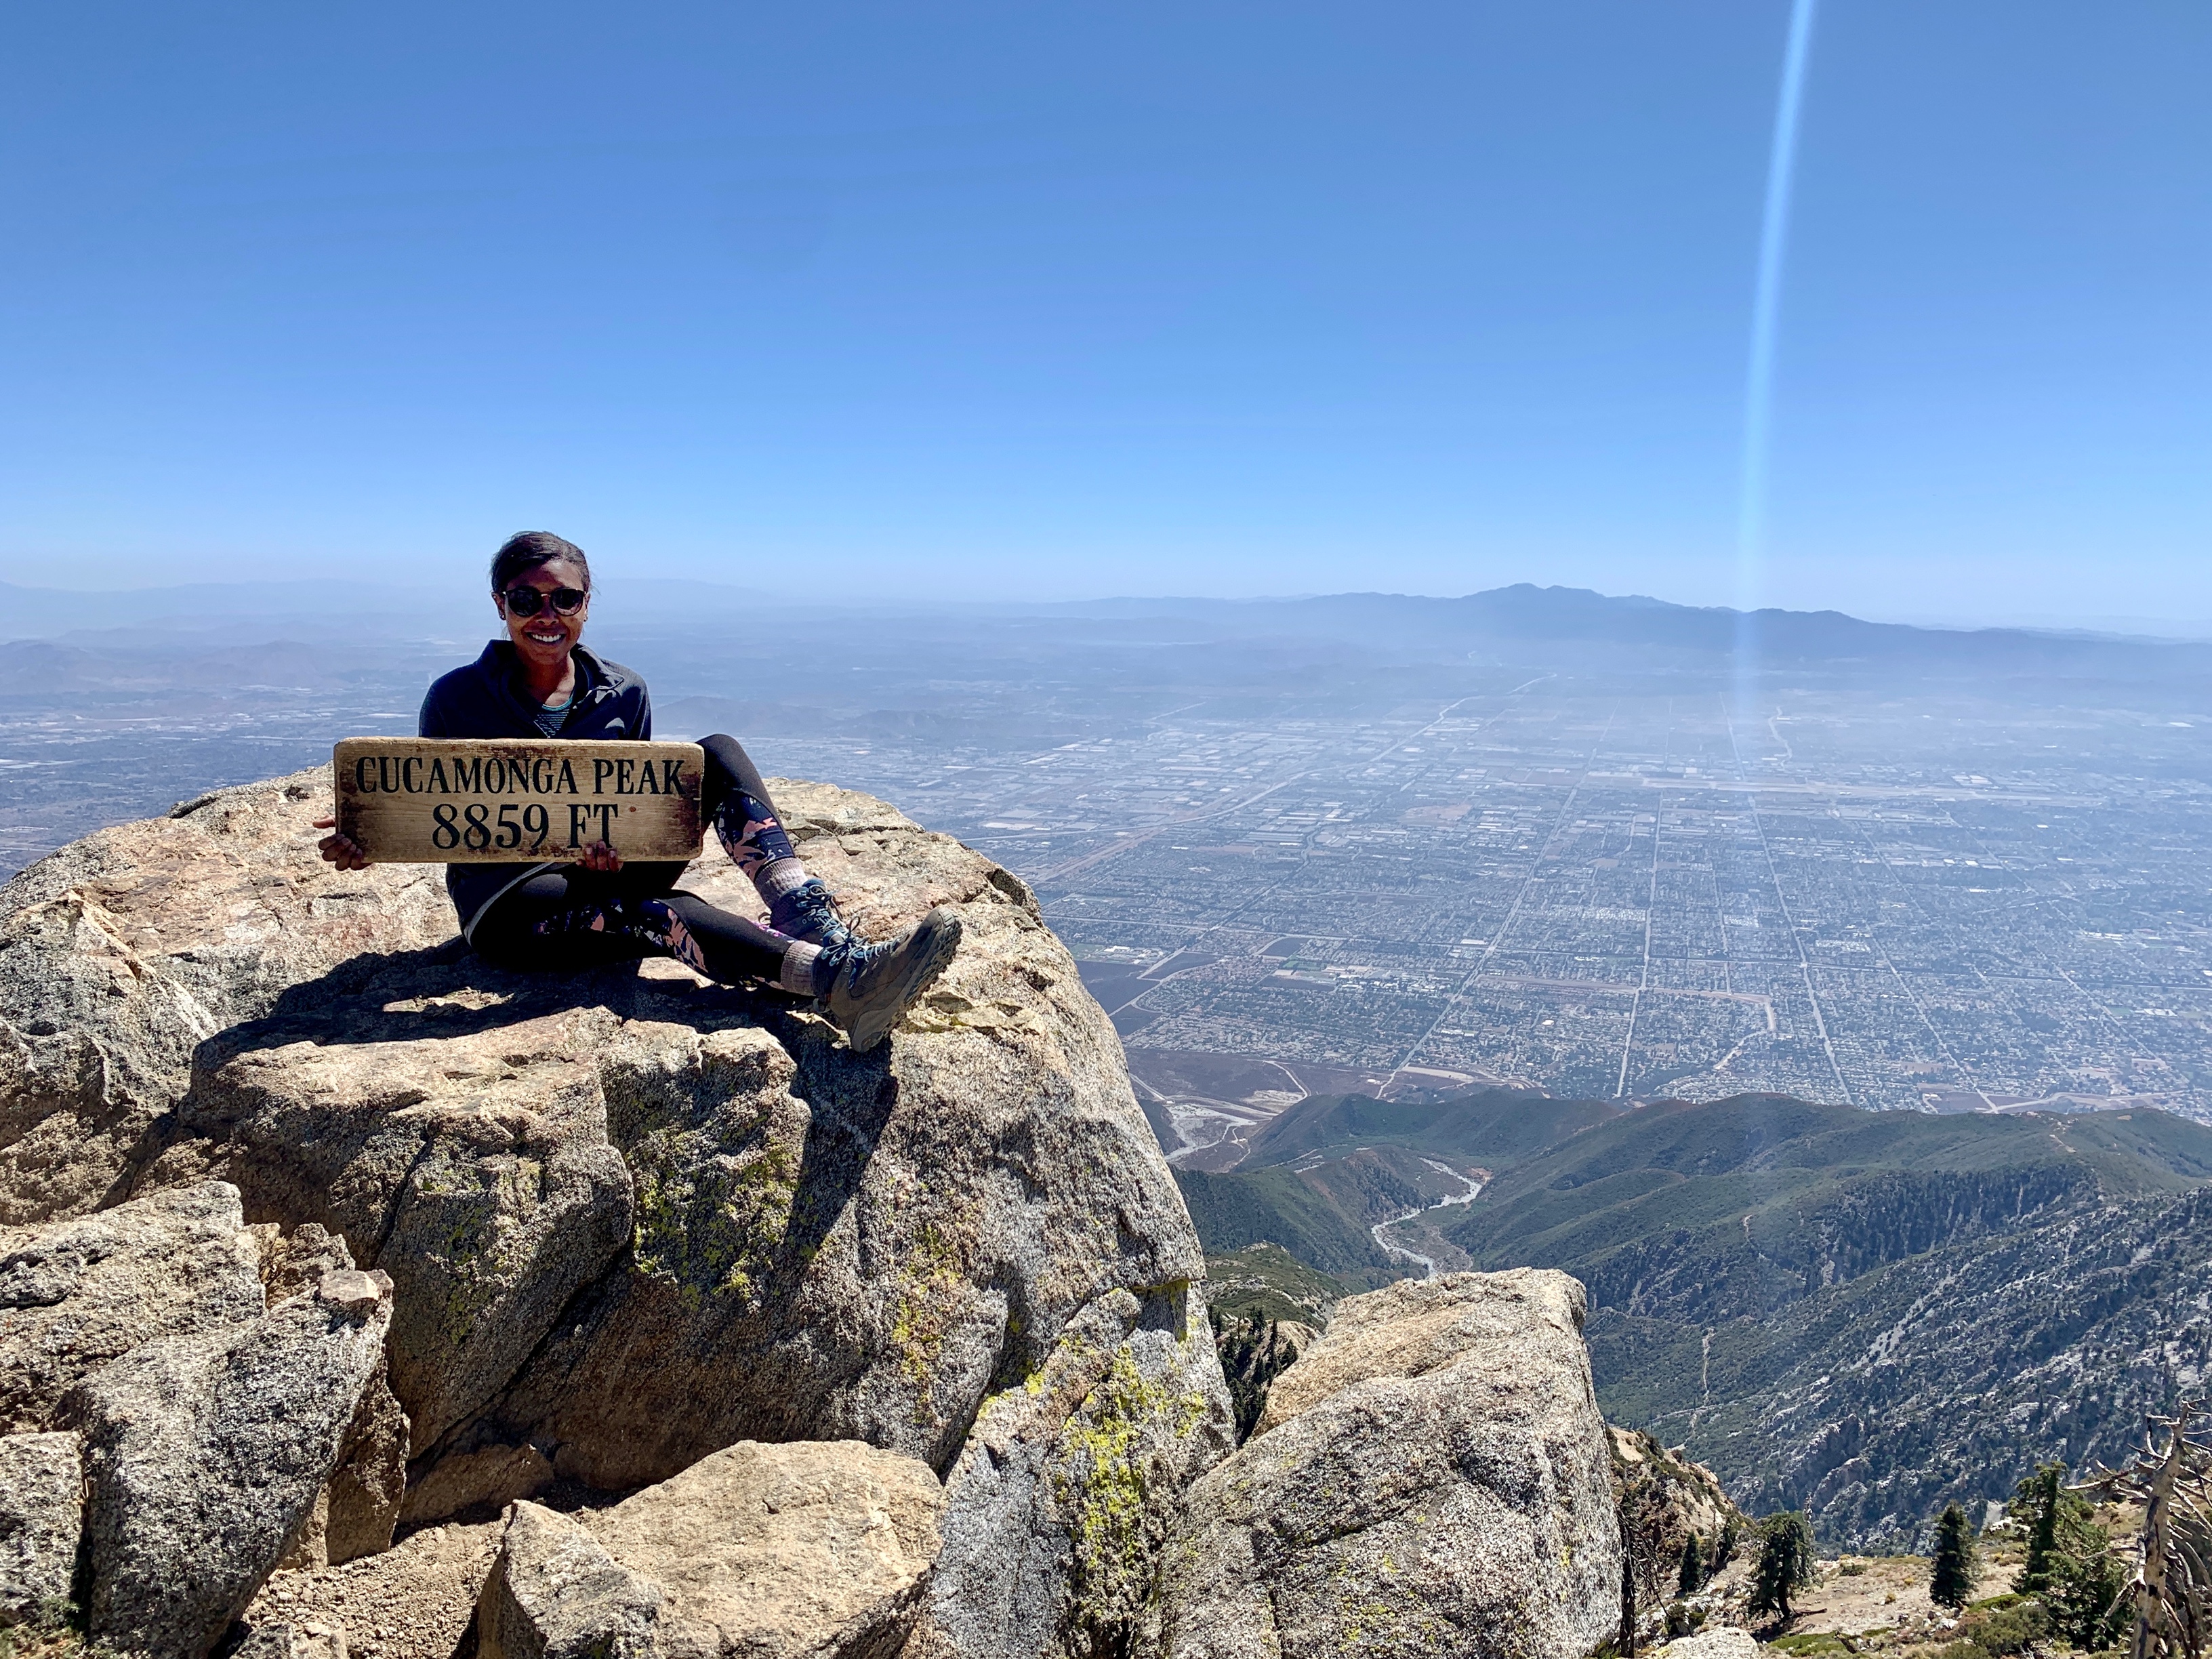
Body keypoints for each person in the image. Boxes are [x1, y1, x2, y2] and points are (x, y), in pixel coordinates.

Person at [314, 531, 959, 1050]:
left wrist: (618, 851)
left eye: (565, 599)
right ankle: (838, 982)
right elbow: (431, 807)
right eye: (526, 600)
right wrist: (370, 835)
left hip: (600, 871)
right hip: (510, 905)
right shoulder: (458, 698)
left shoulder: (623, 692)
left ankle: (809, 921)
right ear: (499, 604)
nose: (547, 616)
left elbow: (640, 810)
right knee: (655, 910)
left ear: (587, 603)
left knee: (716, 753)